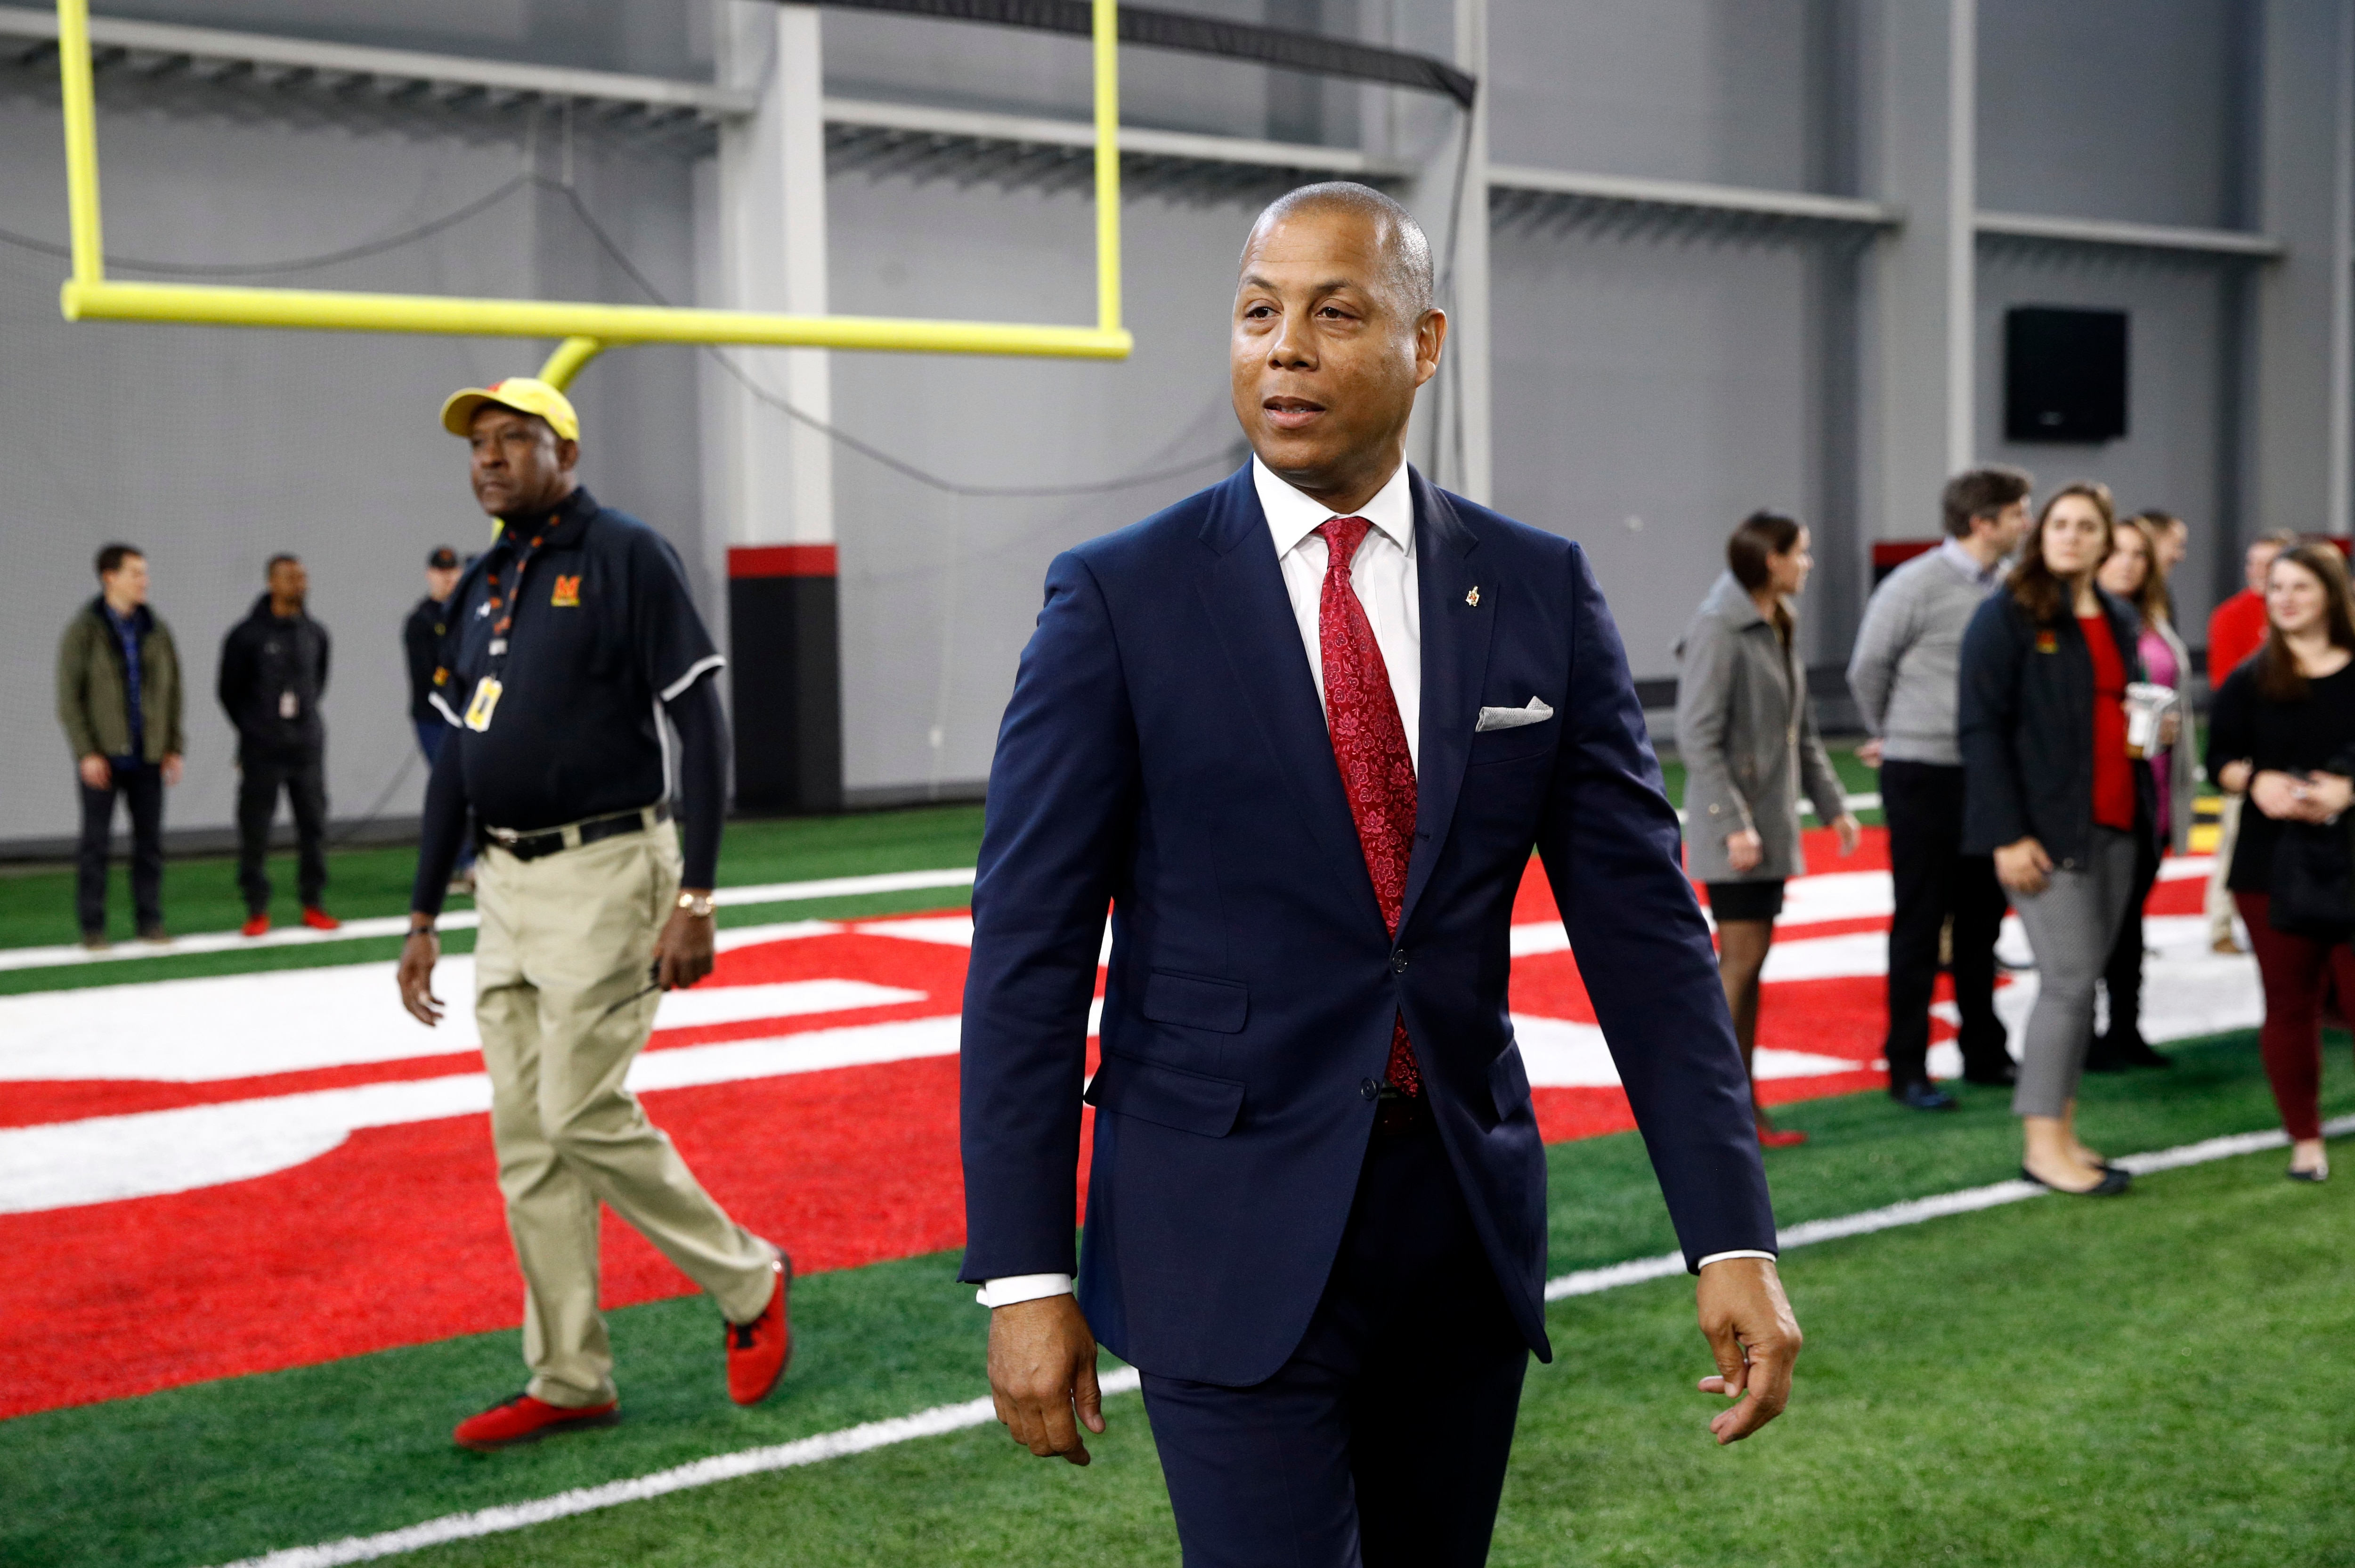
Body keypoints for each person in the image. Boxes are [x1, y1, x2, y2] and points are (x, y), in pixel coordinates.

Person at [960, 184, 1798, 1566]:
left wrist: (1729, 1234)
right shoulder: (1118, 596)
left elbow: (1645, 937)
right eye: (1254, 313)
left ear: (1423, 344)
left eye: (1331, 313)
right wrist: (1025, 1271)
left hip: (1457, 1235)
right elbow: (1030, 955)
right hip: (1217, 1231)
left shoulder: (1534, 588)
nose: (1280, 347)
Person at [395, 376, 791, 1451]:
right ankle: (570, 1374)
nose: (488, 456)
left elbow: (699, 725)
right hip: (503, 886)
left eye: (512, 437)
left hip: (611, 869)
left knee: (575, 1111)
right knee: (526, 1143)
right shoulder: (479, 583)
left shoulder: (625, 553)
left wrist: (699, 893)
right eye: (477, 441)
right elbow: (452, 765)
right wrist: (424, 913)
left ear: (563, 451)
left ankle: (750, 1275)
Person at [1960, 482, 2156, 1196]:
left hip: (2115, 824)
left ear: (2107, 540)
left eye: (2087, 527)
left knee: (2082, 986)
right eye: (2060, 524)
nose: (2071, 537)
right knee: (2069, 983)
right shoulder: (2007, 616)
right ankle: (2042, 1145)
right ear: (2041, 535)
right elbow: (1980, 730)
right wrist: (2007, 834)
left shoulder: (2117, 615)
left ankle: (2065, 1131)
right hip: (2046, 835)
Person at [1846, 468, 2030, 1110]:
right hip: (1924, 772)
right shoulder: (1915, 584)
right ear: (1984, 522)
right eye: (2017, 514)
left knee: (1983, 922)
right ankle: (1908, 1065)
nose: (2025, 525)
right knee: (1922, 923)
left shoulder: (2010, 587)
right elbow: (1867, 668)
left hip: (1988, 773)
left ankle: (1985, 1051)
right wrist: (1894, 731)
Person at [1676, 512, 1860, 1148]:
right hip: (1741, 837)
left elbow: (1798, 731)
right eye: (1801, 554)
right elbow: (1695, 734)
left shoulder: (1776, 620)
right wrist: (1733, 825)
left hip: (1767, 830)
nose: (1808, 563)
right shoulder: (1720, 626)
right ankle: (1720, 1112)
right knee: (1741, 965)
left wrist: (1832, 803)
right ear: (1770, 558)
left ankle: (1741, 1108)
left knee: (1749, 968)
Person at [2204, 541, 2355, 1182]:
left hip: (2350, 857)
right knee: (2289, 1004)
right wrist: (2254, 779)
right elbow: (2221, 762)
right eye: (2277, 587)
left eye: (2301, 586)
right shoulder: (2249, 677)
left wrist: (2351, 788)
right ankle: (2305, 1138)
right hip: (2272, 868)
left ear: (2331, 595)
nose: (2286, 598)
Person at [2088, 516, 2193, 1070]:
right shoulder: (2081, 618)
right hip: (2100, 797)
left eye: (2137, 554)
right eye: (2117, 552)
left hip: (2151, 791)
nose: (2127, 562)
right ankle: (2082, 1035)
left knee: (2130, 922)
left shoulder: (2155, 616)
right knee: (2093, 926)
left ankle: (2125, 1028)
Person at [55, 543, 185, 948]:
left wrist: (173, 745)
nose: (143, 581)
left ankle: (151, 922)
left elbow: (174, 689)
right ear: (109, 577)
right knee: (96, 845)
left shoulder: (156, 628)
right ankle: (93, 928)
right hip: (104, 757)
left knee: (150, 845)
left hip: (148, 755)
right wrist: (87, 752)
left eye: (144, 573)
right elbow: (69, 696)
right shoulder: (85, 629)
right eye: (135, 573)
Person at [218, 553, 337, 937]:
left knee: (313, 826)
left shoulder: (315, 633)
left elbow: (318, 683)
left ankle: (313, 903)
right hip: (261, 750)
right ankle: (256, 908)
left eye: (303, 578)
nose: (300, 584)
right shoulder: (246, 636)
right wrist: (255, 728)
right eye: (290, 578)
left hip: (306, 748)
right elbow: (228, 692)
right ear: (272, 583)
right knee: (256, 829)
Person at [2206, 532, 2298, 954]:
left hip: (2299, 759)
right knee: (2235, 836)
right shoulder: (2231, 616)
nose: (2260, 573)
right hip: (2250, 754)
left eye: (2271, 564)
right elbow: (2227, 686)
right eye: (2254, 565)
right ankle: (2221, 927)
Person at [404, 544, 476, 893]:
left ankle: (471, 861)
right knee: (451, 787)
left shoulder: (469, 613)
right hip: (434, 718)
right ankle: (460, 862)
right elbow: (430, 678)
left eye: (453, 571)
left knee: (472, 787)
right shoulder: (421, 621)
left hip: (468, 716)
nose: (448, 577)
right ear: (430, 574)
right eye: (441, 571)